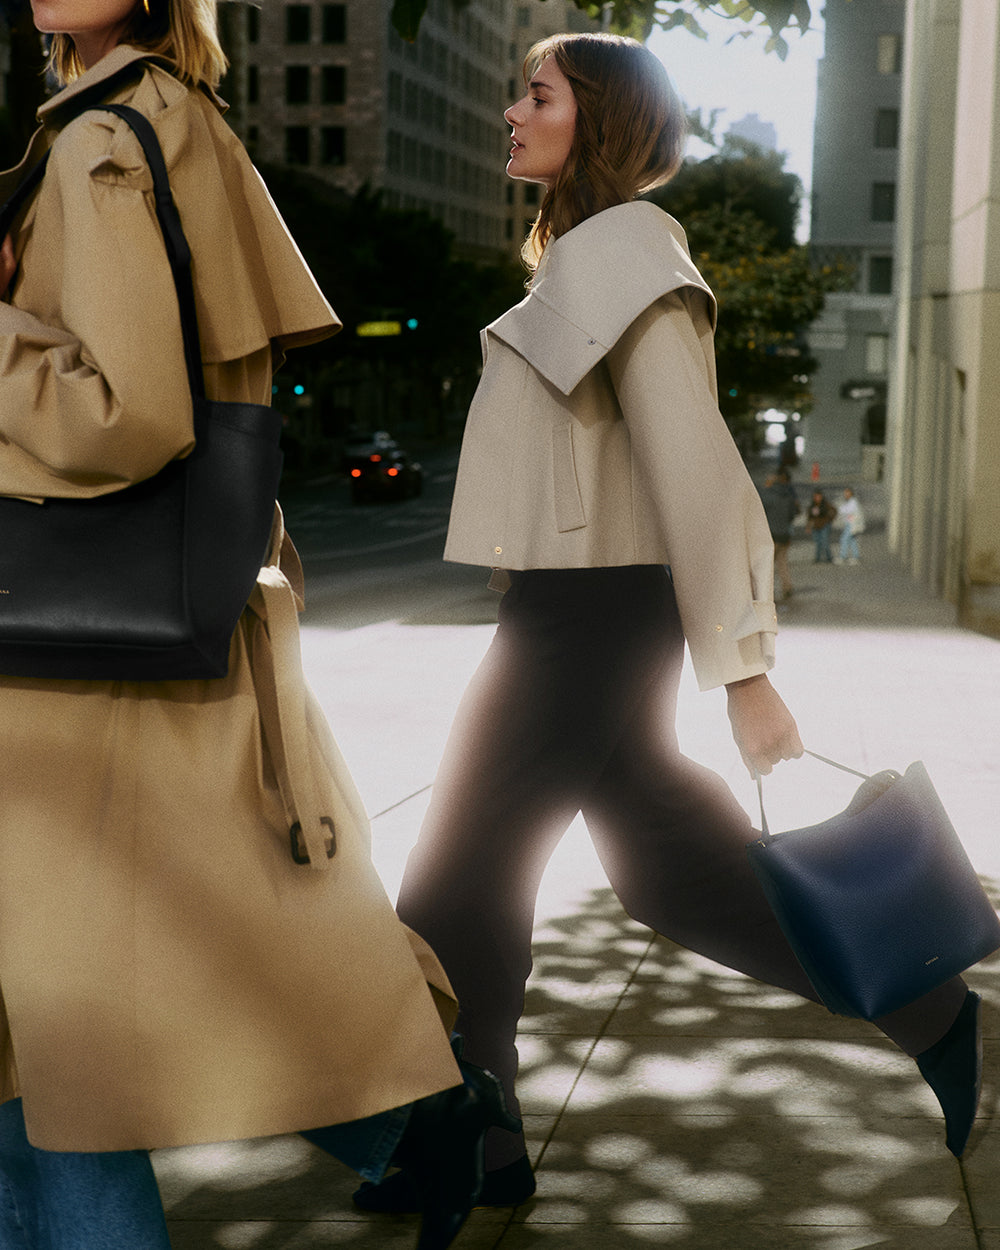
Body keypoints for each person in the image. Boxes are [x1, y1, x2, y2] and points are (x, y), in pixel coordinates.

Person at [354, 31, 983, 1216]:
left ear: (600, 118)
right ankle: (931, 1009)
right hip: (581, 609)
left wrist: (745, 668)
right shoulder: (585, 255)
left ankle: (456, 1131)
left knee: (452, 885)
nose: (509, 112)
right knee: (670, 870)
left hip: (589, 621)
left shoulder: (622, 255)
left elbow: (697, 468)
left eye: (536, 94)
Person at [0, 3, 515, 1247]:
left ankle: (423, 1121)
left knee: (51, 1067)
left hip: (72, 673)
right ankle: (424, 1123)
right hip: (135, 637)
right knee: (109, 1023)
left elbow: (125, 414)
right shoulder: (168, 116)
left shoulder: (103, 141)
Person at [759, 467, 800, 598]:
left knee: (767, 564)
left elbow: (759, 511)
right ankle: (787, 586)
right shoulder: (787, 495)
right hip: (785, 534)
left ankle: (765, 591)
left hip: (771, 534)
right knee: (782, 562)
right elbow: (792, 514)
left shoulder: (767, 495)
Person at [806, 487, 837, 563]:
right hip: (816, 526)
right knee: (818, 542)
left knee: (825, 541)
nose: (817, 498)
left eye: (818, 496)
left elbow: (834, 511)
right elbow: (810, 518)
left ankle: (829, 558)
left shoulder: (826, 505)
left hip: (824, 525)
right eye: (815, 496)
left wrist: (829, 519)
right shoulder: (812, 506)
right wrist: (808, 527)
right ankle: (818, 558)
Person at [836, 485, 865, 563]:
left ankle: (843, 556)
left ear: (851, 494)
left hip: (851, 524)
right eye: (845, 493)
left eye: (847, 493)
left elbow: (846, 511)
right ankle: (856, 556)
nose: (846, 495)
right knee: (852, 540)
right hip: (849, 524)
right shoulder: (849, 502)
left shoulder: (853, 502)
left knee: (844, 539)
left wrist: (841, 509)